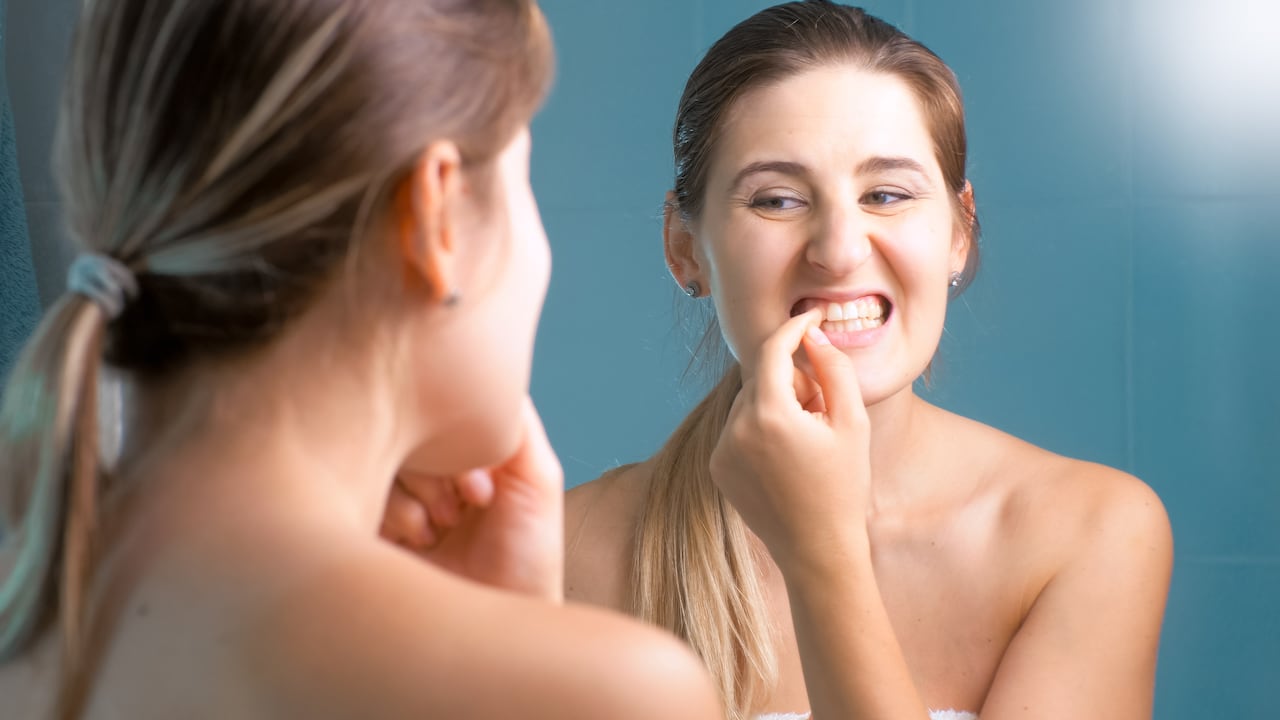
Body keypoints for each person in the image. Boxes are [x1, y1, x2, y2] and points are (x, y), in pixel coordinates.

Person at [387, 2, 1173, 719]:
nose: (838, 251)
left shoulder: (1091, 534)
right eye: (777, 199)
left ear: (959, 233)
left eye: (888, 195)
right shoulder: (556, 551)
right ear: (684, 248)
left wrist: (819, 555)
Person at [0, 1, 723, 718]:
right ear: (436, 213)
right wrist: (523, 660)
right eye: (521, 178)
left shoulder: (29, 617)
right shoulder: (617, 690)